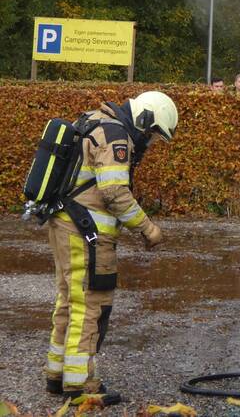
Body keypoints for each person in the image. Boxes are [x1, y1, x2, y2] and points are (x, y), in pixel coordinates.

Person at [44, 91, 177, 403]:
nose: (150, 141)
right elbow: (114, 192)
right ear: (144, 119)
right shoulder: (116, 135)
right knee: (91, 304)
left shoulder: (95, 120)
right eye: (153, 133)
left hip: (65, 223)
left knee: (69, 300)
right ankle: (80, 387)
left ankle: (57, 375)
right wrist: (148, 229)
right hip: (85, 233)